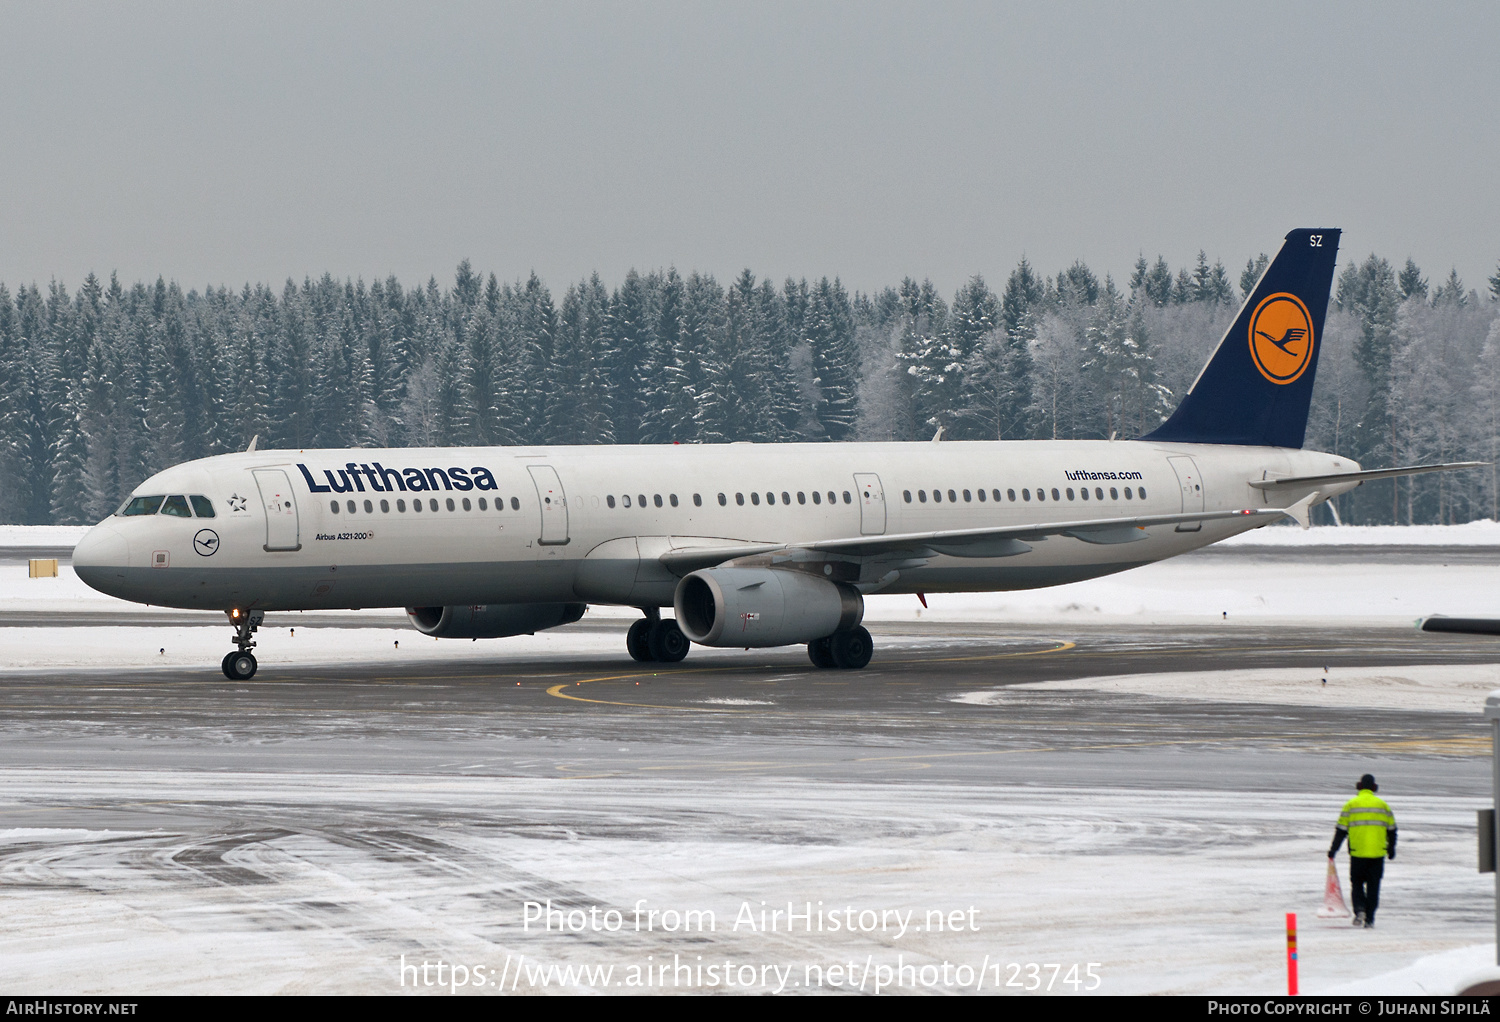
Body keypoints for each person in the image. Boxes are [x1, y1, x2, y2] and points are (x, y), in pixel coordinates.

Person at [1328, 774, 1397, 928]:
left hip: (1357, 853)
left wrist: (1333, 849)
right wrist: (1391, 848)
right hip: (1377, 854)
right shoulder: (1382, 805)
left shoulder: (1351, 805)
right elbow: (1392, 830)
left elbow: (1341, 831)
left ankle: (1359, 909)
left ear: (1359, 786)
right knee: (1374, 887)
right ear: (1374, 787)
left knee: (1357, 884)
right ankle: (1370, 918)